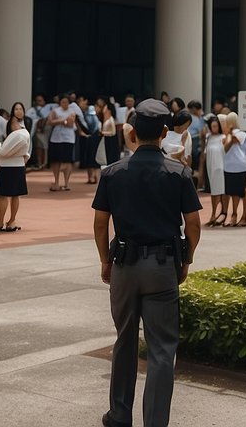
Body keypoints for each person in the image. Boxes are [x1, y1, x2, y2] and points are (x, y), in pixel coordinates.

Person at [92, 99, 201, 427]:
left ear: (132, 133)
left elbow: (100, 223)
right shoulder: (178, 172)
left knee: (124, 339)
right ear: (165, 132)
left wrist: (104, 261)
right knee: (162, 349)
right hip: (162, 265)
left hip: (124, 264)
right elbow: (193, 224)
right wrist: (187, 259)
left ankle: (119, 415)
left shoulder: (112, 173)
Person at [0, 102, 31, 232]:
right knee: (10, 195)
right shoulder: (21, 133)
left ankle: (9, 221)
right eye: (16, 109)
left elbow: (3, 152)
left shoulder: (21, 133)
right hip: (12, 165)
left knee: (11, 195)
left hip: (12, 165)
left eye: (20, 109)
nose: (18, 111)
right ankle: (3, 221)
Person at [220, 112, 246, 226]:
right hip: (228, 166)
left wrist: (230, 133)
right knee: (229, 192)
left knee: (238, 192)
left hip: (239, 166)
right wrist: (228, 134)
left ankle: (235, 214)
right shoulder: (226, 135)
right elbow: (225, 148)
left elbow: (233, 141)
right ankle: (230, 214)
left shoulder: (241, 134)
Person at [48, 93, 80, 191]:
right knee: (55, 160)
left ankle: (66, 183)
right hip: (56, 138)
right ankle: (56, 182)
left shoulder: (72, 111)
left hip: (68, 138)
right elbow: (50, 121)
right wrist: (62, 121)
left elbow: (70, 123)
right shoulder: (55, 110)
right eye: (63, 102)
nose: (64, 104)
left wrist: (58, 121)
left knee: (67, 160)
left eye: (66, 102)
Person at [201, 115, 228, 226]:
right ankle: (213, 213)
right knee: (214, 191)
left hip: (221, 166)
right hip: (211, 166)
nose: (214, 128)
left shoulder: (224, 137)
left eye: (216, 126)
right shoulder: (208, 137)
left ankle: (223, 213)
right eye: (212, 126)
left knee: (222, 190)